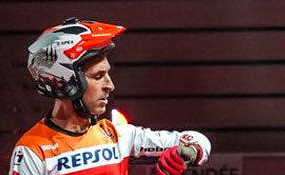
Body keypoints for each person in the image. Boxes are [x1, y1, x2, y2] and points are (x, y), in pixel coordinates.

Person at [11, 19, 212, 175]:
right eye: (98, 76)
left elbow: (199, 140)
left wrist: (187, 153)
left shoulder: (118, 136)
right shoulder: (32, 150)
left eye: (108, 74)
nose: (110, 85)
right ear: (64, 79)